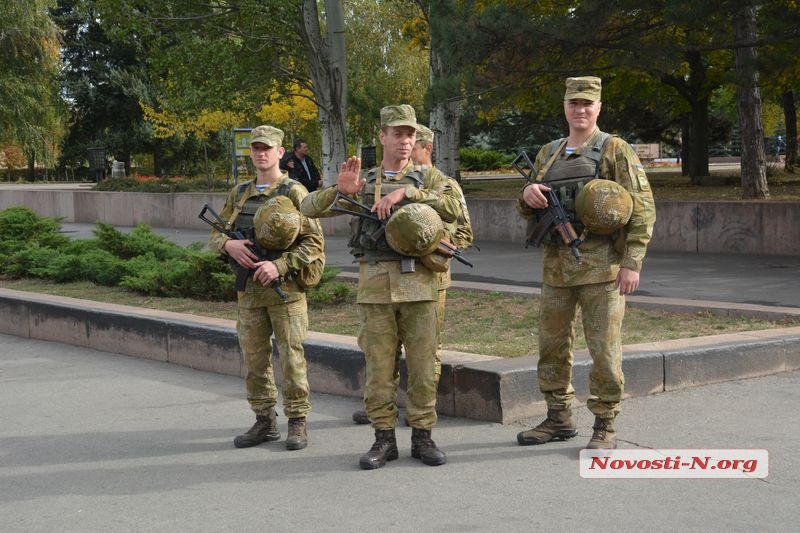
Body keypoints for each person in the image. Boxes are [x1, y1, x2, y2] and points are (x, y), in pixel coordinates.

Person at [301, 105, 464, 469]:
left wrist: (408, 194)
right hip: (375, 286)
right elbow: (308, 207)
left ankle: (423, 436)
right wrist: (337, 193)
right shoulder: (364, 181)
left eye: (410, 134)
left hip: (420, 286)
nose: (405, 141)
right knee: (379, 369)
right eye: (397, 133)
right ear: (383, 137)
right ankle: (383, 439)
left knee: (423, 367)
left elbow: (454, 206)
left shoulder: (431, 179)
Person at [515, 76, 656, 450]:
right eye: (573, 103)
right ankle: (558, 417)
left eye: (587, 104)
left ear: (599, 108)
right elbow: (529, 209)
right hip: (556, 269)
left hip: (602, 268)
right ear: (565, 107)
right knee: (551, 347)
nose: (580, 110)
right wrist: (527, 194)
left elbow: (642, 209)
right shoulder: (549, 152)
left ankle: (605, 424)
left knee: (604, 350)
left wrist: (633, 262)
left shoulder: (615, 150)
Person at [209, 125, 325, 451]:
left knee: (291, 357)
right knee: (254, 358)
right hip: (249, 292)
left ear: (279, 153)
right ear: (251, 153)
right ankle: (264, 420)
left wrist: (280, 265)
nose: (261, 153)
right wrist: (227, 246)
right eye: (256, 148)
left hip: (285, 291)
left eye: (267, 148)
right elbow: (217, 233)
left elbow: (314, 243)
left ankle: (298, 421)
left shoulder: (295, 193)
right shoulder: (239, 193)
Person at [350, 124, 473, 426]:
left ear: (425, 147)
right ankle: (384, 410)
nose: (407, 146)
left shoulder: (439, 183)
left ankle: (421, 415)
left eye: (413, 141)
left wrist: (431, 238)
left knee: (425, 354)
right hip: (383, 279)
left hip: (429, 277)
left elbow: (463, 231)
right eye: (400, 137)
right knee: (381, 355)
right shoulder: (374, 180)